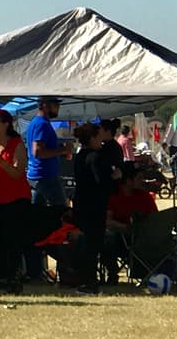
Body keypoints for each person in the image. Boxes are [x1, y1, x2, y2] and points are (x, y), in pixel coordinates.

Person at [23, 96, 72, 282]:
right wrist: (62, 150)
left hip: (37, 178)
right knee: (62, 219)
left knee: (35, 225)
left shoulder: (37, 123)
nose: (57, 108)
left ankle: (35, 270)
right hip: (45, 178)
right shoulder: (42, 124)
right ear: (45, 105)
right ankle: (67, 268)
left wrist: (59, 149)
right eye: (55, 104)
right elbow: (38, 152)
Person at [0, 109, 30, 289]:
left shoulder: (17, 144)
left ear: (6, 124)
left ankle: (14, 277)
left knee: (13, 240)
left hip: (15, 199)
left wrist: (2, 163)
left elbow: (18, 173)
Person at [70, 123, 113, 294]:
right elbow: (101, 182)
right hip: (94, 207)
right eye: (99, 137)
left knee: (84, 245)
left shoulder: (79, 156)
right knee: (93, 245)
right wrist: (113, 178)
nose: (101, 140)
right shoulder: (94, 157)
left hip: (81, 204)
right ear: (92, 138)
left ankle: (83, 280)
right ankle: (90, 283)